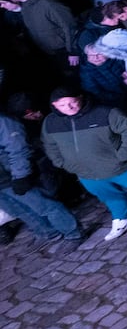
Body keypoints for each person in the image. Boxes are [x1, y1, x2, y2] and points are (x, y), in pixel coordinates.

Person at [41, 87, 127, 240]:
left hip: (121, 166)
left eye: (72, 102)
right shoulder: (50, 122)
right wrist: (61, 163)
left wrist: (124, 154)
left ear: (80, 98)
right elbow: (49, 145)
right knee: (109, 197)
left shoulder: (105, 113)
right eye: (62, 105)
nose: (68, 108)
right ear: (55, 106)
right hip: (86, 173)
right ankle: (122, 219)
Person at [0, 102, 84, 242]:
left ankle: (74, 233)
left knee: (44, 205)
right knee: (19, 211)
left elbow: (17, 148)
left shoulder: (3, 121)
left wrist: (21, 175)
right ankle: (47, 233)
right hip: (1, 182)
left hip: (13, 175)